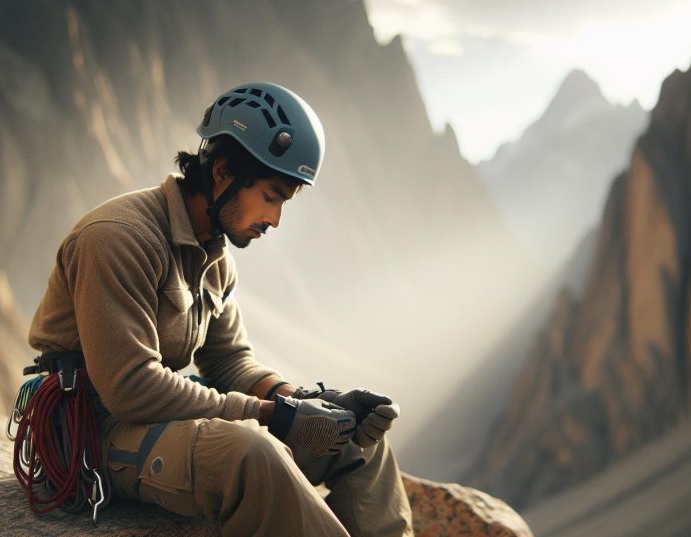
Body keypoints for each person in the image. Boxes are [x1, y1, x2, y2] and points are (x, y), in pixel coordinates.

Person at [27, 82, 414, 536]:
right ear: (223, 172)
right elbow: (128, 387)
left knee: (355, 445)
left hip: (156, 419)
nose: (276, 219)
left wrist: (310, 403)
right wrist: (275, 416)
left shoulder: (214, 256)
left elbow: (229, 361)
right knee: (253, 452)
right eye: (272, 197)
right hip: (91, 431)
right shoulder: (118, 238)